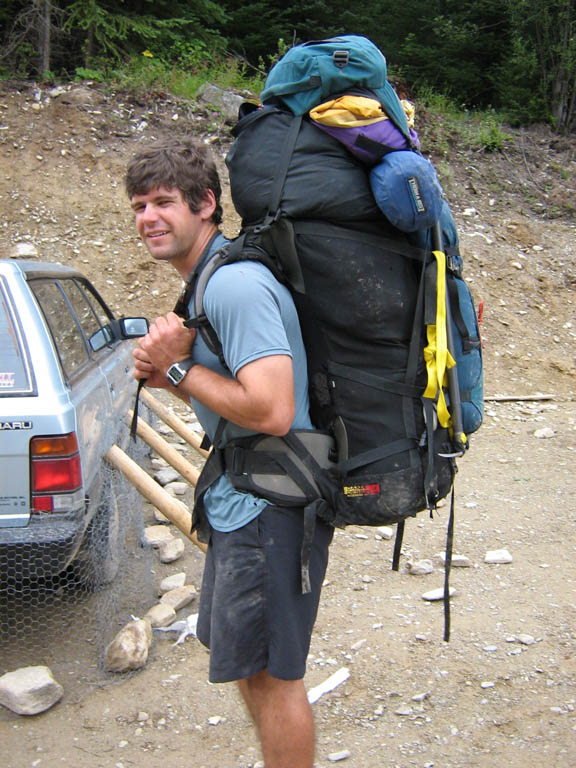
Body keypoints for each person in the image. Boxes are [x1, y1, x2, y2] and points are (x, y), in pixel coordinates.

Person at [126, 137, 332, 768]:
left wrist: (177, 371)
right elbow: (227, 396)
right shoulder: (208, 284)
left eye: (164, 202)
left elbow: (271, 408)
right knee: (252, 670)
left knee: (272, 677)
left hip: (272, 501)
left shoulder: (235, 285)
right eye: (138, 206)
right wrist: (170, 371)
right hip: (245, 498)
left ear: (206, 204)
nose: (148, 218)